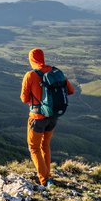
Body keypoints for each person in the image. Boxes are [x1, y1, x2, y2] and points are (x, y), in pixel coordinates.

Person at [20, 48, 75, 187]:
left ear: (31, 59)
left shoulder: (30, 75)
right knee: (45, 145)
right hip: (53, 116)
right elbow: (71, 90)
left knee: (34, 148)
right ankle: (47, 175)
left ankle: (45, 180)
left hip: (37, 118)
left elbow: (24, 98)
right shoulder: (56, 72)